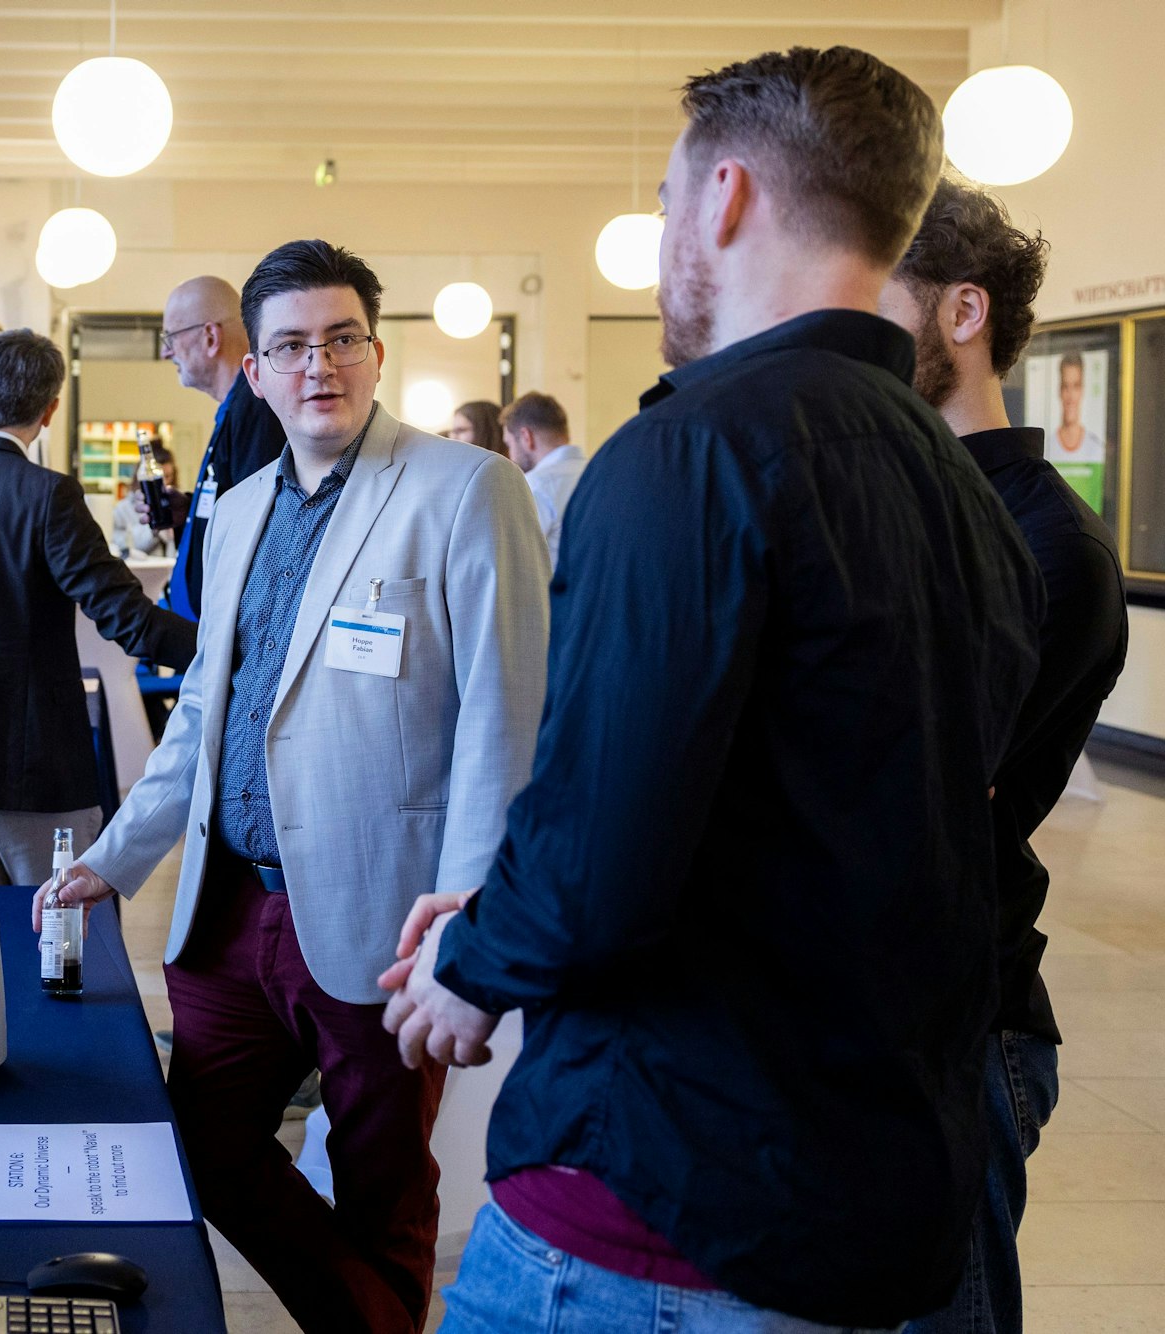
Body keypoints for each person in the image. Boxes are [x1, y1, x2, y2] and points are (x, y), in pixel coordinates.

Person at [382, 47, 1044, 1332]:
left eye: (672, 211)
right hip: (856, 1193)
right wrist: (514, 905)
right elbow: (801, 811)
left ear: (725, 199)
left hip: (657, 1211)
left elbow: (600, 846)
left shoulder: (687, 450)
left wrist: (470, 960)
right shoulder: (963, 488)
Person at [40, 240, 550, 1333]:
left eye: (339, 339)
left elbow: (502, 727)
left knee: (384, 1188)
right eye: (289, 346)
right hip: (226, 908)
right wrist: (113, 855)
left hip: (383, 909)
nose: (316, 364)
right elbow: (205, 721)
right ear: (254, 370)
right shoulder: (238, 508)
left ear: (373, 351)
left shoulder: (465, 490)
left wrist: (462, 915)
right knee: (205, 1146)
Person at [881, 174, 1129, 1334]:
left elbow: (924, 780)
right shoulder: (890, 493)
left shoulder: (1047, 541)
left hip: (960, 1024)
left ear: (961, 313)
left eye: (878, 299)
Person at [0, 330, 196, 886]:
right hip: (34, 772)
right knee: (57, 949)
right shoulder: (47, 495)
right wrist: (227, 652)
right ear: (51, 408)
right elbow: (126, 619)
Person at [150, 275, 289, 619]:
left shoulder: (256, 408)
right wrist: (190, 511)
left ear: (210, 337)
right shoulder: (238, 407)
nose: (166, 351)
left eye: (171, 337)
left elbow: (258, 534)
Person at [501, 392, 585, 569]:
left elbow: (516, 563)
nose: (510, 455)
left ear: (526, 437)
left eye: (509, 444)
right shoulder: (597, 471)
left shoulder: (534, 485)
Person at [111, 442, 177, 557]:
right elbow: (122, 547)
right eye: (158, 477)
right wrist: (153, 529)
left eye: (168, 476)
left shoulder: (177, 505)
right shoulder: (123, 509)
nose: (163, 483)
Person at [1053, 352, 1105, 456]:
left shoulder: (1097, 448)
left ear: (1082, 390)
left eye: (1076, 386)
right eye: (1065, 386)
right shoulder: (1047, 447)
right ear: (1059, 390)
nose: (1070, 396)